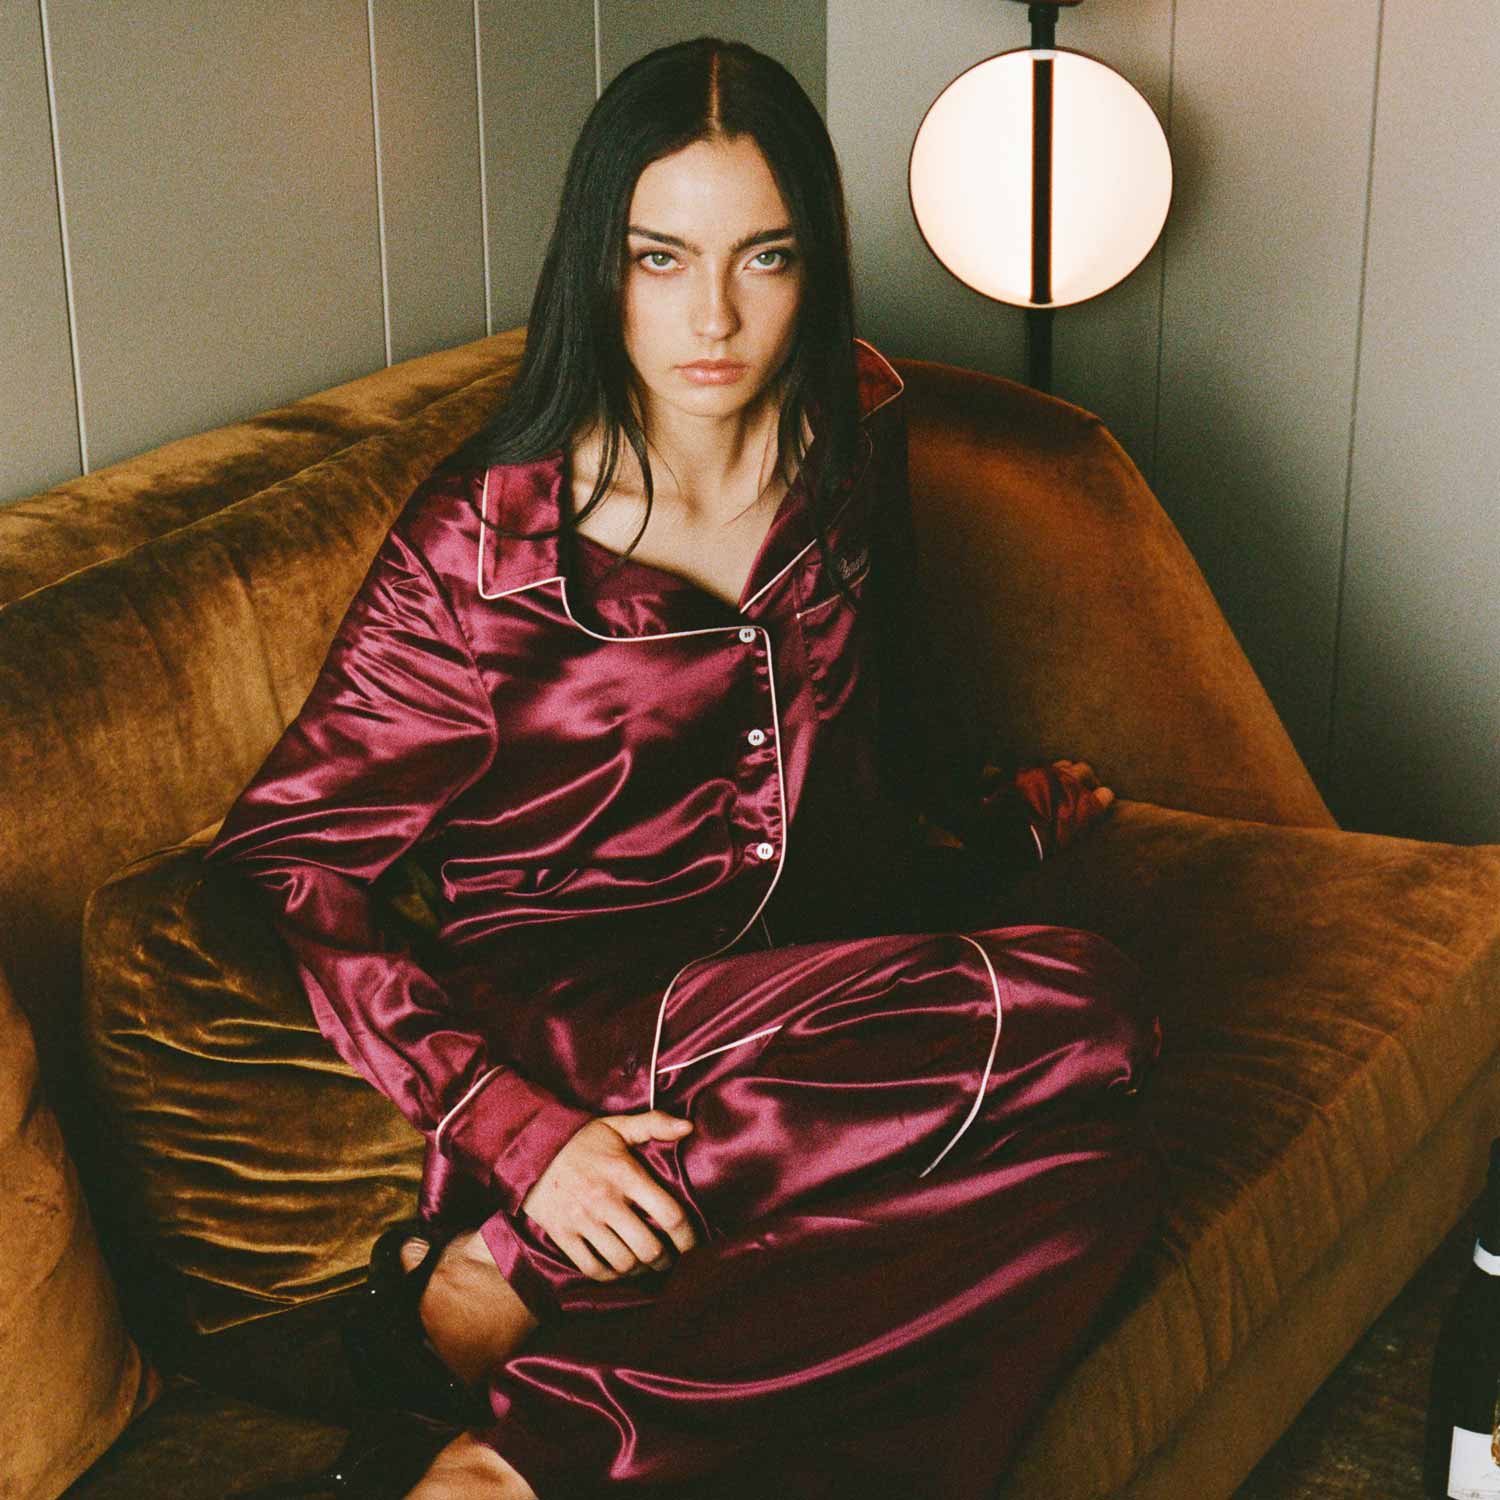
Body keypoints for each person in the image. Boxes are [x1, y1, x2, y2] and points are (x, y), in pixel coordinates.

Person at [205, 36, 1162, 1500]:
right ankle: (531, 1255)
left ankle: (513, 1427)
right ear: (598, 266)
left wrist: (992, 826)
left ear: (815, 265)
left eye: (763, 257)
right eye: (661, 257)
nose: (713, 315)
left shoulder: (847, 439)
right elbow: (285, 862)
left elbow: (877, 719)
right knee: (1078, 1007)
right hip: (582, 1025)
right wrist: (515, 1141)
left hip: (802, 1001)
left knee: (1098, 1191)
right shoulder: (484, 552)